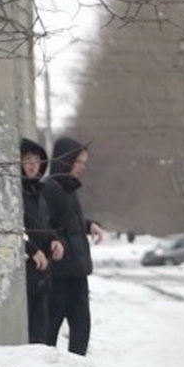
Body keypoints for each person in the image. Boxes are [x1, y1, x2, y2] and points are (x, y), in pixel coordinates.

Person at [43, 136, 103, 355]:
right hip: (58, 277)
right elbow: (45, 227)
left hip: (77, 274)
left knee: (81, 330)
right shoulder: (49, 189)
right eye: (79, 162)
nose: (82, 168)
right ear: (66, 161)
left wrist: (89, 225)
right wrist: (58, 245)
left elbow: (70, 223)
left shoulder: (70, 190)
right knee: (49, 334)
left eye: (84, 163)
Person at [20, 138, 63, 344]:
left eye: (37, 160)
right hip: (24, 272)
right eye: (27, 159)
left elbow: (45, 225)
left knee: (41, 335)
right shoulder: (14, 192)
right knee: (27, 335)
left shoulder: (39, 192)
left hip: (42, 273)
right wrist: (30, 250)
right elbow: (9, 230)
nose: (32, 165)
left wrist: (54, 241)